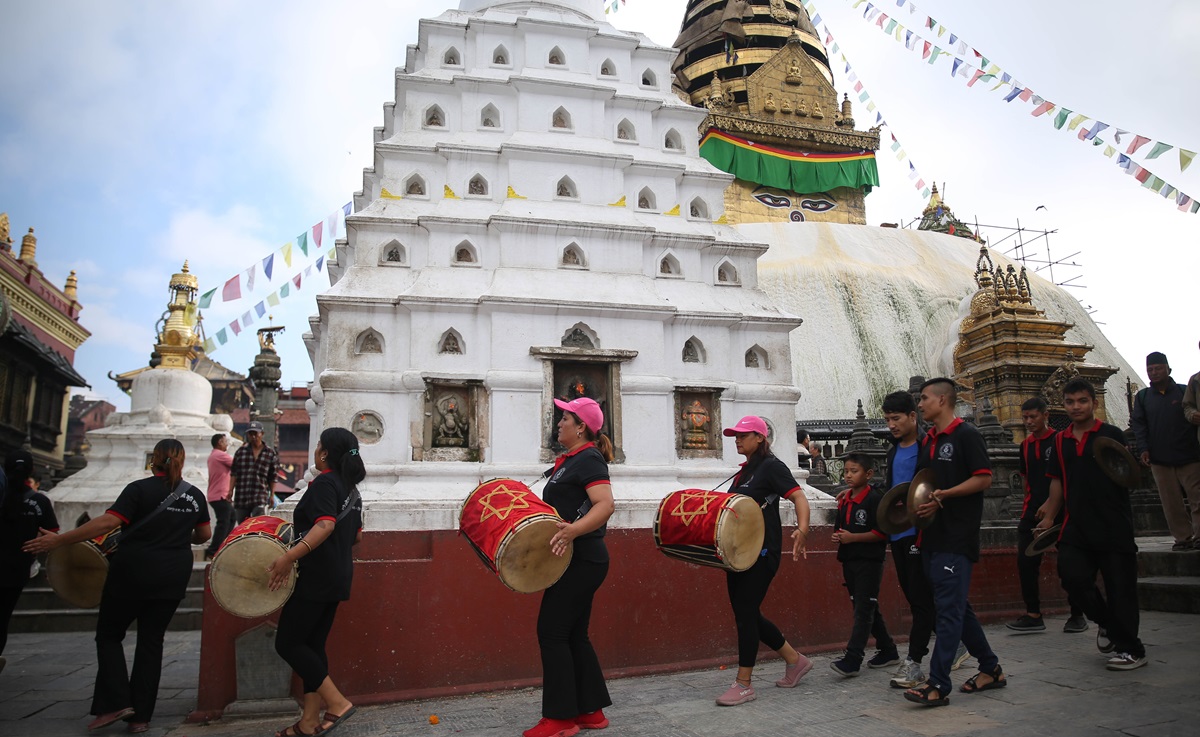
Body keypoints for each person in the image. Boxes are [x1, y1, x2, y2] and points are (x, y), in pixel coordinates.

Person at [23, 439, 210, 733]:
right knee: (152, 642)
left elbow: (108, 522)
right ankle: (140, 718)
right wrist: (173, 534)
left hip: (133, 572)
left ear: (154, 460)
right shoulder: (195, 495)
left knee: (109, 635)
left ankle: (115, 702)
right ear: (182, 461)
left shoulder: (139, 489)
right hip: (173, 574)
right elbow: (203, 535)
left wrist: (59, 540)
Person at [904, 378, 1004, 707]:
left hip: (956, 536)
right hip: (932, 535)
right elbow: (921, 485)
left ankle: (937, 683)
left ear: (944, 400)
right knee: (958, 608)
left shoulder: (966, 435)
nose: (920, 404)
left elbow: (984, 477)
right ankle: (990, 668)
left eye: (925, 398)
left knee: (948, 612)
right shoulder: (929, 440)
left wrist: (946, 494)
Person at [521, 397, 615, 737]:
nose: (559, 423)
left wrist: (574, 530)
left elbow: (605, 505)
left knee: (553, 633)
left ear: (582, 427)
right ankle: (590, 711)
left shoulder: (588, 458)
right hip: (575, 559)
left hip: (581, 558)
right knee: (573, 634)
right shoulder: (570, 461)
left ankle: (560, 719)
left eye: (565, 418)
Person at [1039, 379, 1147, 671]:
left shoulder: (1110, 434)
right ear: (1063, 404)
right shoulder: (1060, 442)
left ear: (1094, 403)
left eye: (1082, 401)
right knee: (1072, 578)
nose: (1076, 407)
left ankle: (1131, 649)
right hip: (1076, 525)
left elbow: (1129, 473)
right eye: (1070, 402)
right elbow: (1058, 481)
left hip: (1113, 523)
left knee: (1120, 588)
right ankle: (1109, 625)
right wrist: (1050, 515)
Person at [268, 427, 365, 737]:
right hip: (337, 574)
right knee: (311, 644)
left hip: (317, 575)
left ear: (324, 453)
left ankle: (337, 703)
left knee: (287, 643)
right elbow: (357, 536)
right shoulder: (352, 489)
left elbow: (324, 525)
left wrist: (289, 557)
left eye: (318, 445)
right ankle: (309, 721)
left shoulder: (325, 483)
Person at [715, 415, 812, 707]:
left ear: (760, 437)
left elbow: (799, 497)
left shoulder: (771, 467)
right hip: (739, 554)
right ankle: (795, 661)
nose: (737, 439)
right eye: (735, 435)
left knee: (746, 614)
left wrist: (803, 529)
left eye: (743, 435)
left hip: (762, 553)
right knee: (748, 614)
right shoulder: (744, 472)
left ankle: (744, 683)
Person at [1008, 397, 1088, 633]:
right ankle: (1033, 613)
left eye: (1033, 417)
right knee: (1026, 562)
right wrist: (1029, 503)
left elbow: (1068, 477)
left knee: (1069, 564)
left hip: (1063, 511)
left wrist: (1052, 505)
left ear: (1046, 416)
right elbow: (1025, 478)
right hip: (1032, 510)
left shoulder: (1060, 441)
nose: (1029, 422)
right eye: (1025, 418)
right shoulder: (1025, 446)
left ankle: (1077, 613)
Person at [880, 391, 937, 688]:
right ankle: (964, 644)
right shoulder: (892, 451)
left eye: (897, 418)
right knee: (920, 597)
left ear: (913, 416)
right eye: (888, 419)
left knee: (920, 600)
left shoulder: (930, 446)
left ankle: (914, 662)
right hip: (898, 532)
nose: (891, 424)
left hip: (922, 532)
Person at [830, 453, 897, 676]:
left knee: (863, 609)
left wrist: (853, 538)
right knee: (867, 606)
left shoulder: (875, 499)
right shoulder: (845, 499)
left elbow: (881, 533)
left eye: (854, 471)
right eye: (846, 471)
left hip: (869, 560)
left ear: (868, 474)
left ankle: (853, 658)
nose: (848, 475)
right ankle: (888, 650)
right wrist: (840, 537)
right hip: (849, 559)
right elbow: (841, 528)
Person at [1131, 351, 1200, 551]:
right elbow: (1139, 425)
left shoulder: (1183, 391)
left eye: (1158, 368)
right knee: (1171, 502)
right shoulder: (1143, 397)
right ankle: (1183, 538)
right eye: (1150, 369)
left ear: (1168, 369)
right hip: (1159, 458)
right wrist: (1143, 449)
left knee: (1197, 498)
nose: (1154, 372)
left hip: (1189, 454)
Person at [1, 451, 59, 674]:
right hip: (18, 567)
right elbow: (51, 533)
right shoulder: (39, 501)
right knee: (3, 616)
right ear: (32, 471)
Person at [231, 421, 279, 524]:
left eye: (255, 433)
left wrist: (272, 495)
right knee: (242, 525)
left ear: (262, 434)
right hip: (241, 495)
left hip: (260, 494)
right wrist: (230, 491)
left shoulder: (269, 453)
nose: (253, 436)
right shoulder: (241, 452)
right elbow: (234, 473)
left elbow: (273, 477)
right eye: (250, 434)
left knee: (258, 523)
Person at [204, 433, 234, 560]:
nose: (227, 443)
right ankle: (214, 550)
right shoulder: (220, 455)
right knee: (224, 522)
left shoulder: (213, 455)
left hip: (215, 494)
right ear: (219, 442)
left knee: (230, 519)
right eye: (225, 441)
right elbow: (236, 464)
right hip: (220, 495)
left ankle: (221, 546)